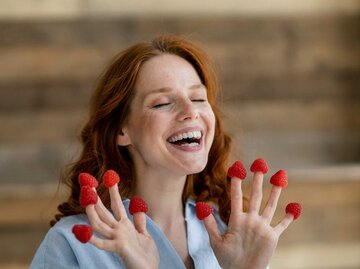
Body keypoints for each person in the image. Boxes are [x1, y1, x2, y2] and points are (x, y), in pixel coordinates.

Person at [30, 34, 298, 269]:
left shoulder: (234, 230)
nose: (191, 111)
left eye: (198, 98)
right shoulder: (73, 243)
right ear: (122, 131)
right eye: (162, 103)